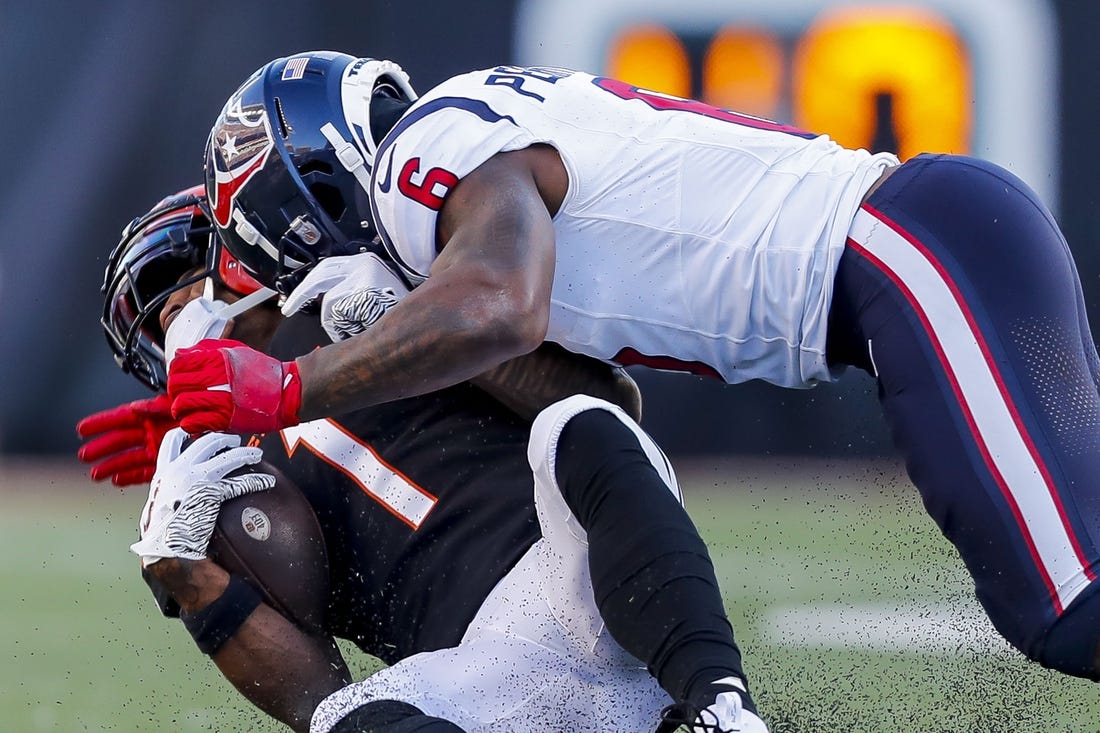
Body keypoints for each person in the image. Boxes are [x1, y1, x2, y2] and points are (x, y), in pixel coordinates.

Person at [168, 50, 1100, 682]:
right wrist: (379, 322)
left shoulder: (423, 152)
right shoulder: (454, 192)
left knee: (1068, 609)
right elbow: (597, 406)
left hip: (907, 253)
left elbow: (499, 305)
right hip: (920, 258)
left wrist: (290, 387)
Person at [80, 187, 770, 732]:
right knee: (341, 717)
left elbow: (611, 405)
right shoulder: (205, 479)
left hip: (593, 564)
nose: (190, 328)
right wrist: (191, 582)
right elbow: (316, 696)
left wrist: (422, 321)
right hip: (493, 673)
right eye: (169, 323)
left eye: (184, 300)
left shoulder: (369, 290)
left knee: (574, 422)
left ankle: (723, 707)